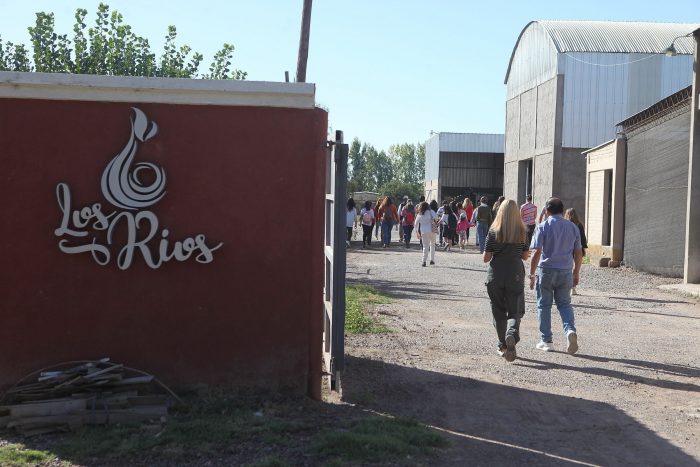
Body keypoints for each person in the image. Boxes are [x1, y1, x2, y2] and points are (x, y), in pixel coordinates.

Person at [529, 197, 583, 354]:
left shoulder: (542, 226)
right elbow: (578, 252)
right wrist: (576, 272)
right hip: (565, 270)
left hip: (546, 270)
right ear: (562, 210)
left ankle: (546, 341)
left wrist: (532, 275)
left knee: (544, 305)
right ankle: (570, 331)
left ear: (547, 210)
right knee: (565, 304)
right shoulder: (573, 227)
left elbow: (536, 252)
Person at [483, 199, 530, 362]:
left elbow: (486, 258)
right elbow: (524, 256)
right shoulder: (522, 231)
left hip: (495, 273)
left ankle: (502, 344)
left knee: (498, 310)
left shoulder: (493, 231)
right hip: (515, 273)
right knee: (515, 310)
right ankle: (511, 334)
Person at [564, 208, 588, 295]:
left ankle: (570, 287)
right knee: (576, 269)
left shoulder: (565, 225)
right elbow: (582, 238)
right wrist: (583, 248)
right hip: (577, 249)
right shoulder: (579, 225)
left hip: (568, 249)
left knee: (568, 268)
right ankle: (573, 287)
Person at [415, 201, 436, 267]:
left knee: (425, 246)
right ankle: (432, 260)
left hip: (424, 231)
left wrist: (417, 232)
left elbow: (415, 225)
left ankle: (423, 261)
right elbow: (436, 218)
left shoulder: (419, 214)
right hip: (432, 230)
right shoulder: (431, 212)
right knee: (432, 245)